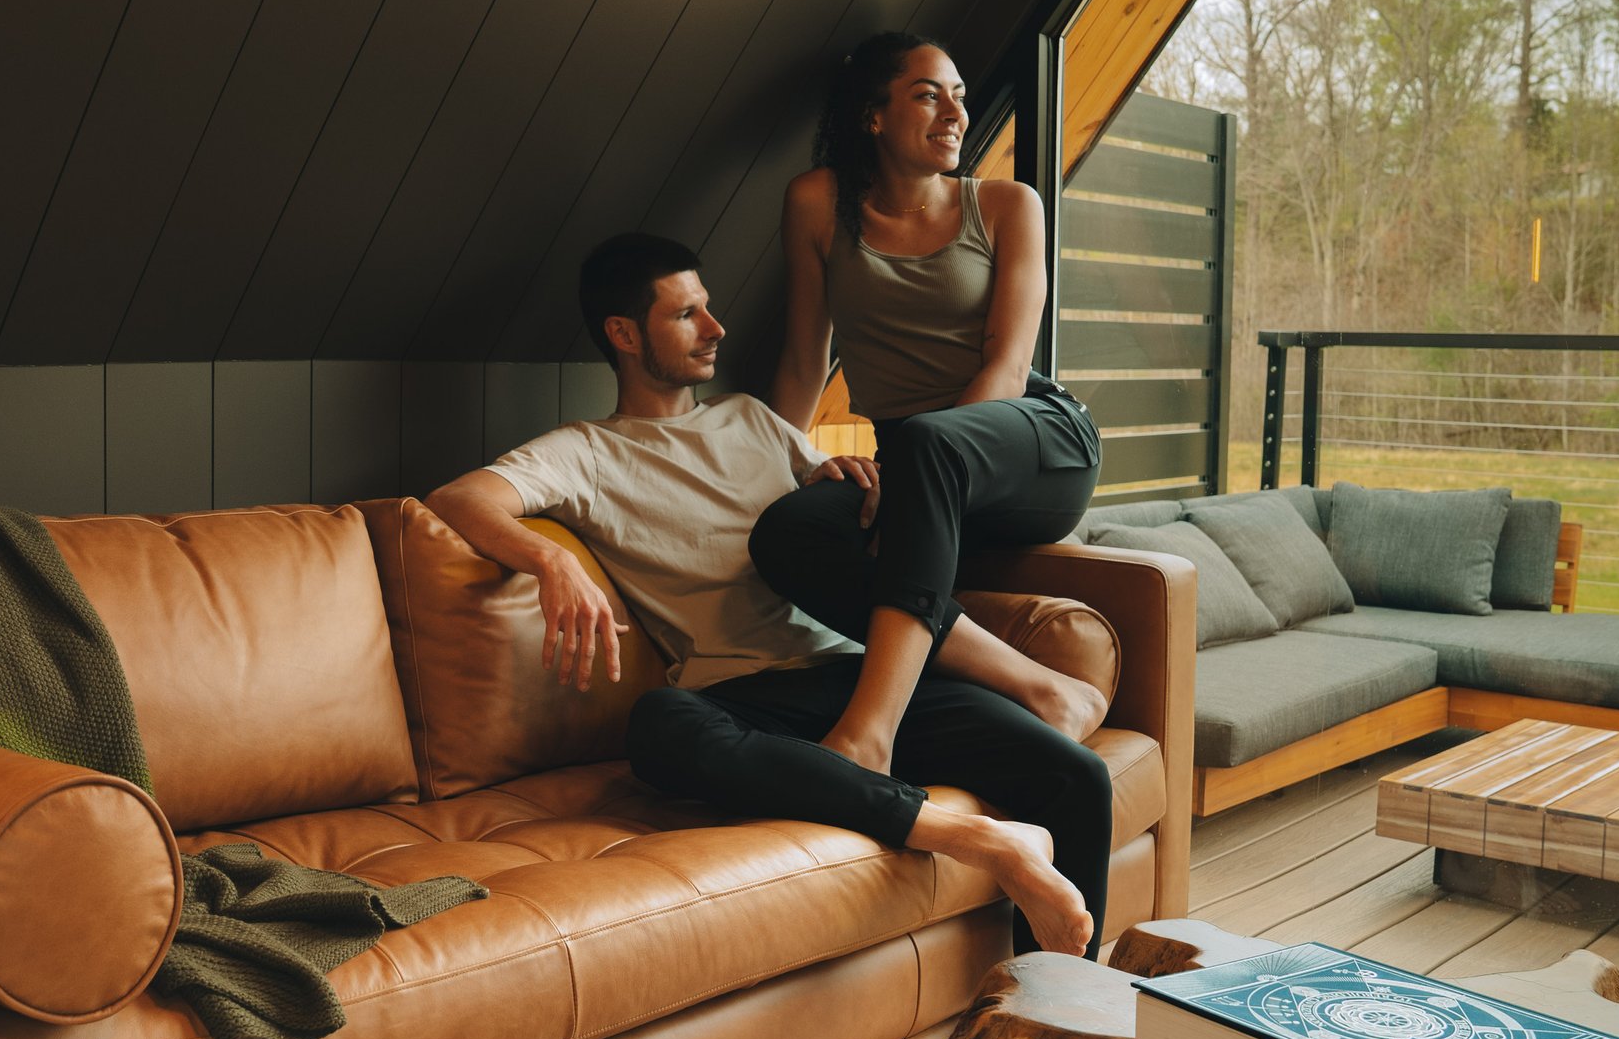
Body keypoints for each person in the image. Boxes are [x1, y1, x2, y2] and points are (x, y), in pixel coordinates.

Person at [424, 233, 1111, 957]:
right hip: (743, 697)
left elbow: (857, 530)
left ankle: (1059, 1008)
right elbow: (458, 498)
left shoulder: (751, 418)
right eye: (687, 314)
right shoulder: (585, 453)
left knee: (1079, 778)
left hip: (861, 675)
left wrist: (848, 484)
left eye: (709, 308)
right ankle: (982, 840)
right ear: (625, 334)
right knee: (660, 727)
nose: (716, 328)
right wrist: (549, 562)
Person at [756, 32, 1103, 778]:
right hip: (921, 461)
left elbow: (1008, 366)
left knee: (925, 445)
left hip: (1036, 443)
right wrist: (773, 466)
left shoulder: (1009, 205)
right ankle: (1043, 688)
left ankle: (868, 734)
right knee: (786, 533)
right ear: (872, 116)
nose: (955, 112)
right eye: (928, 94)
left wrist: (917, 473)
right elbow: (802, 359)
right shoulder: (816, 203)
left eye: (961, 97)